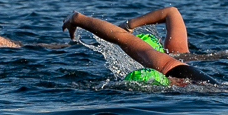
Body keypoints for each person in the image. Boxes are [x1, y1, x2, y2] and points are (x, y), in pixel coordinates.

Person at [63, 11, 215, 85]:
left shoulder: (170, 56)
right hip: (183, 73)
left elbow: (125, 38)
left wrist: (129, 25)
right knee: (125, 39)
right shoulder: (175, 53)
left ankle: (79, 19)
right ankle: (79, 19)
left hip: (185, 73)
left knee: (125, 39)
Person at [116, 6, 190, 55]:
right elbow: (171, 12)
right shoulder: (179, 55)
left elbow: (171, 12)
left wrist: (128, 25)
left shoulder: (176, 53)